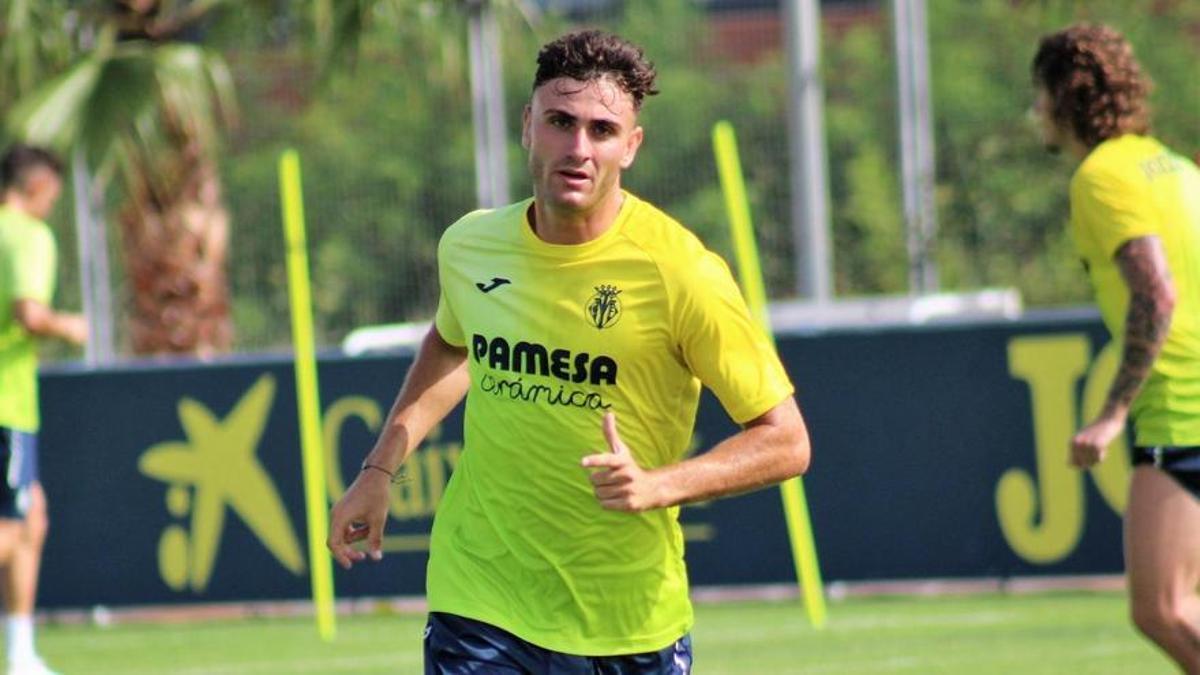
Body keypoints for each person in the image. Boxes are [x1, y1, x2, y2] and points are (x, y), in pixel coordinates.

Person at [328, 29, 811, 673]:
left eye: (602, 130)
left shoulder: (682, 273)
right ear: (528, 125)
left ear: (631, 146)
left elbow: (786, 441)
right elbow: (452, 345)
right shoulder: (470, 246)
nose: (579, 148)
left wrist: (658, 485)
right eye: (561, 121)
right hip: (481, 602)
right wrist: (378, 470)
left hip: (628, 622)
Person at [1031, 24, 1200, 672]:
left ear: (1062, 97)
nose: (1034, 111)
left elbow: (1156, 292)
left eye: (1039, 94)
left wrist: (1112, 412)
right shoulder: (1175, 165)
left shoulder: (1100, 178)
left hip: (1181, 413)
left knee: (1163, 608)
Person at [0, 144, 87, 675]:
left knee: (32, 517)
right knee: (12, 527)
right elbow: (29, 314)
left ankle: (21, 653)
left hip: (13, 407)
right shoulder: (26, 235)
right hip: (6, 405)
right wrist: (69, 327)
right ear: (37, 187)